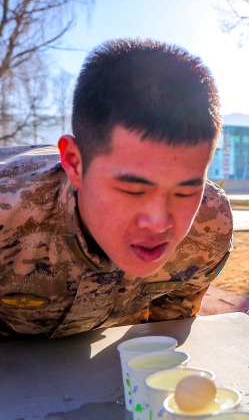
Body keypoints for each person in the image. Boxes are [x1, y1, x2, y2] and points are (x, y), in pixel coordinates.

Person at [0, 39, 233, 339]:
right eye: (133, 190)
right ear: (75, 163)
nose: (160, 222)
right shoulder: (8, 211)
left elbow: (162, 341)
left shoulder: (210, 224)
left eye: (185, 191)